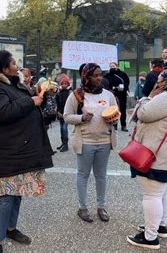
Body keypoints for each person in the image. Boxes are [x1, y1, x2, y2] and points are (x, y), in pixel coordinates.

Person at [0, 50, 53, 253]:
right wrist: (30, 101)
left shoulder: (15, 83)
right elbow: (3, 112)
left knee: (18, 192)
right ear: (4, 68)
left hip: (23, 148)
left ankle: (11, 228)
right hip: (8, 150)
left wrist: (40, 94)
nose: (17, 65)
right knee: (6, 195)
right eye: (13, 63)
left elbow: (29, 106)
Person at [126, 68, 167, 250]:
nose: (157, 81)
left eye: (161, 79)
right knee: (163, 193)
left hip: (158, 155)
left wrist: (149, 96)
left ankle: (150, 237)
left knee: (152, 195)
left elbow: (143, 113)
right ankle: (160, 226)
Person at [64, 63, 119, 223]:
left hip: (104, 141)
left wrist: (114, 118)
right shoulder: (76, 95)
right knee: (83, 175)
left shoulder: (108, 95)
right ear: (86, 77)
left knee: (101, 175)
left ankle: (101, 207)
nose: (99, 78)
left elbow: (116, 114)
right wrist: (81, 118)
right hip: (85, 142)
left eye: (100, 74)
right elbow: (66, 116)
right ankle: (83, 208)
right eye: (95, 75)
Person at [104, 62, 130, 131]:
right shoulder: (107, 75)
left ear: (117, 66)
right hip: (112, 95)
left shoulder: (123, 74)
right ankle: (114, 125)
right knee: (113, 110)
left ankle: (123, 125)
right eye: (111, 66)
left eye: (114, 65)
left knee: (122, 110)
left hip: (122, 94)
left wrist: (123, 88)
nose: (112, 67)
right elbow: (104, 84)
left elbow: (127, 82)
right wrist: (110, 89)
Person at [55, 74, 72, 152]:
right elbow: (57, 103)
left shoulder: (70, 93)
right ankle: (63, 142)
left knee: (64, 128)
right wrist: (58, 112)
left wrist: (67, 112)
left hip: (66, 113)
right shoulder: (59, 93)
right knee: (61, 128)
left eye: (66, 83)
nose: (64, 85)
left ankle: (66, 144)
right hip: (60, 113)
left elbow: (70, 104)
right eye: (63, 83)